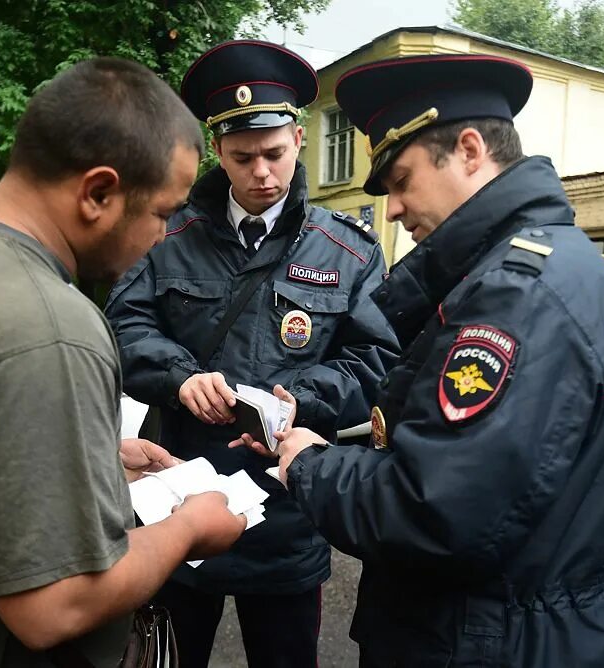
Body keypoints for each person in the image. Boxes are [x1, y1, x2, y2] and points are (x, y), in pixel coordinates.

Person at [248, 54, 604, 667]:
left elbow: (434, 512)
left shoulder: (515, 295)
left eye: (402, 181)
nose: (394, 210)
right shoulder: (538, 270)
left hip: (485, 642)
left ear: (468, 150)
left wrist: (310, 465)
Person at [0, 57, 247, 667]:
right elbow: (52, 606)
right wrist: (191, 528)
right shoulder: (48, 323)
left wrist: (85, 456)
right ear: (98, 192)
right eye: (162, 214)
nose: (165, 239)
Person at [105, 40, 400, 668]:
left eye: (273, 153)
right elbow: (122, 328)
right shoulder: (168, 236)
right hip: (179, 499)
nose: (261, 172)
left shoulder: (347, 250)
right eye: (243, 158)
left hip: (288, 508)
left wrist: (304, 399)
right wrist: (179, 377)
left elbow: (377, 358)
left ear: (298, 138)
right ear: (219, 152)